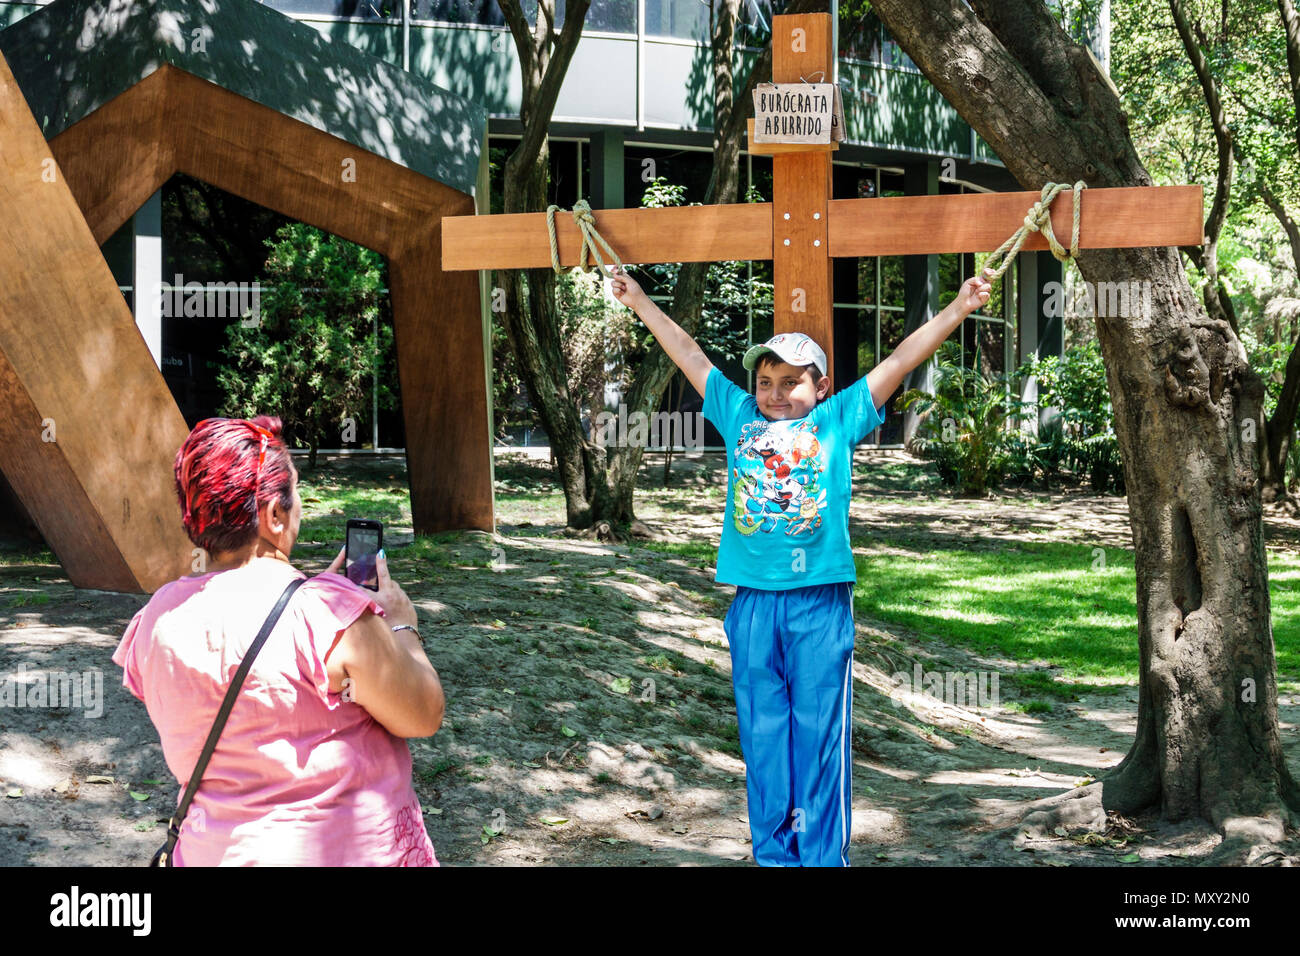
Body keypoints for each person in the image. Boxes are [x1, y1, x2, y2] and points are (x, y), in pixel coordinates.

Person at [608, 266, 994, 866]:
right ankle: (774, 857)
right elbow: (686, 349)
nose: (775, 393)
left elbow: (898, 359)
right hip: (753, 603)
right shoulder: (738, 416)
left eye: (791, 382)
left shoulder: (837, 420)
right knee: (763, 741)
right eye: (766, 381)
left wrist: (960, 309)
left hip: (818, 602)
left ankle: (820, 859)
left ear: (821, 386)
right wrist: (638, 300)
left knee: (817, 739)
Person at [112, 416, 444, 866]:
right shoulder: (325, 613)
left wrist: (319, 602)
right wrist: (403, 625)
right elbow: (422, 714)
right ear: (272, 514)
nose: (300, 505)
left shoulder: (158, 615)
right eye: (296, 492)